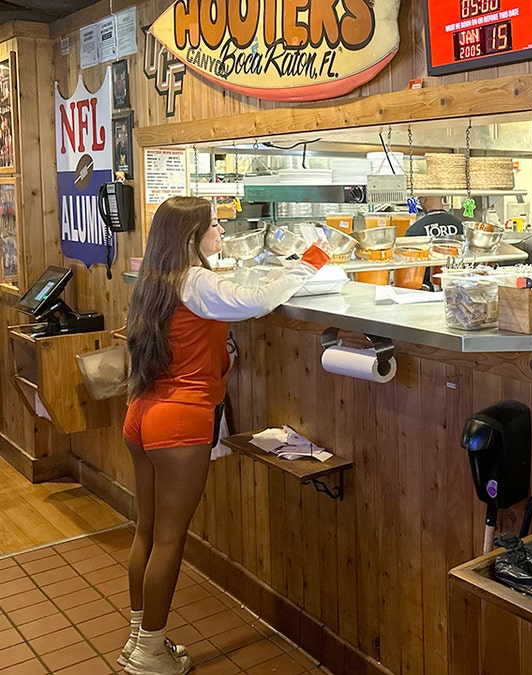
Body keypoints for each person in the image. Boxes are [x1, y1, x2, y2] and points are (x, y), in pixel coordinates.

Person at [120, 196, 329, 675]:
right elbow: (257, 300)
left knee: (147, 532)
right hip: (180, 421)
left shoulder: (154, 281)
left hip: (140, 413)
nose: (221, 232)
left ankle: (139, 639)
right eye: (214, 226)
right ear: (192, 238)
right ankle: (151, 653)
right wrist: (312, 259)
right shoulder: (198, 281)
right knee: (171, 540)